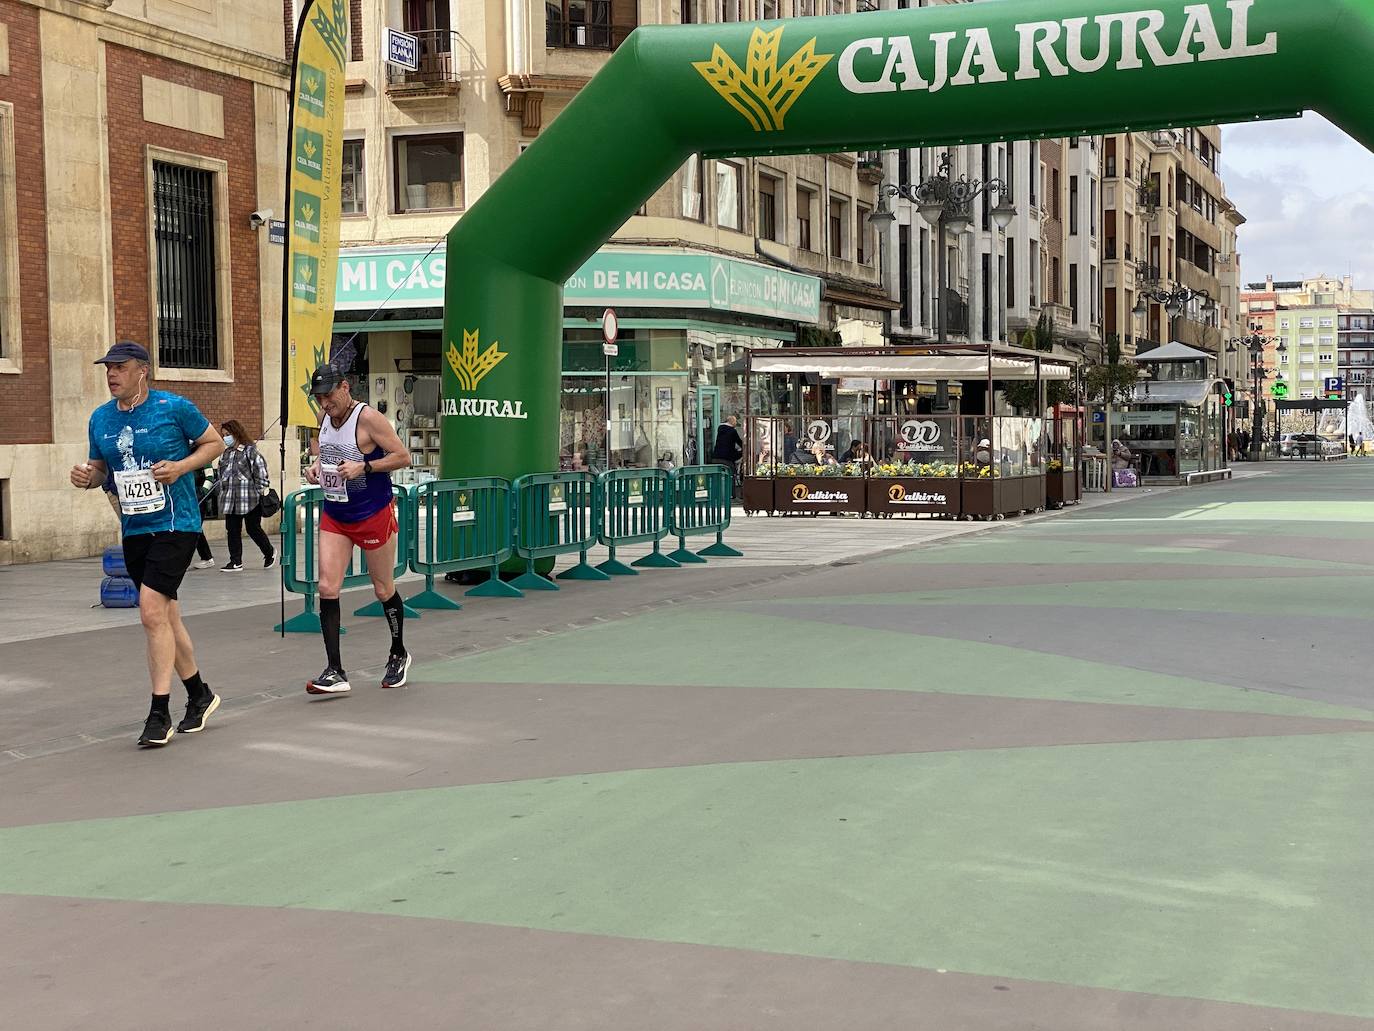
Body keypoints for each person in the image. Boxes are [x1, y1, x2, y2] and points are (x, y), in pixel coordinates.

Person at [70, 341, 225, 747]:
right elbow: (103, 470)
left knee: (151, 610)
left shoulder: (173, 408)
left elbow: (215, 445)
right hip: (135, 528)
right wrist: (88, 477)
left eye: (119, 368)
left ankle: (159, 713)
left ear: (142, 371)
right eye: (107, 369)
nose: (111, 375)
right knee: (166, 618)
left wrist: (181, 467)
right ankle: (200, 695)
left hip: (177, 523)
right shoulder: (100, 419)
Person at [304, 364, 413, 695]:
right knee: (326, 587)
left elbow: (402, 456)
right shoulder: (323, 419)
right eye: (319, 398)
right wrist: (315, 469)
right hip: (336, 513)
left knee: (382, 588)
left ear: (345, 387)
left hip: (372, 512)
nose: (325, 404)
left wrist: (364, 466)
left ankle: (398, 653)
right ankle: (335, 670)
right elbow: (325, 455)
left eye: (328, 396)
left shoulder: (368, 419)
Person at [215, 419, 277, 571]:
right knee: (232, 529)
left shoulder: (251, 451)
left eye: (228, 434)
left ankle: (269, 552)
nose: (225, 438)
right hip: (230, 500)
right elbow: (221, 474)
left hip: (250, 499)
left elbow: (261, 474)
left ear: (237, 433)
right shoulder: (226, 454)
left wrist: (260, 491)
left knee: (253, 528)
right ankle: (236, 561)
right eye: (223, 435)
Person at [711, 415, 744, 486]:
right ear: (732, 422)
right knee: (730, 476)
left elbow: (725, 442)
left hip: (716, 457)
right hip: (727, 459)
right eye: (735, 421)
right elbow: (739, 442)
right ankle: (731, 494)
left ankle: (718, 493)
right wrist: (744, 449)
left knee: (718, 477)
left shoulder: (720, 429)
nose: (736, 423)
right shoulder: (732, 431)